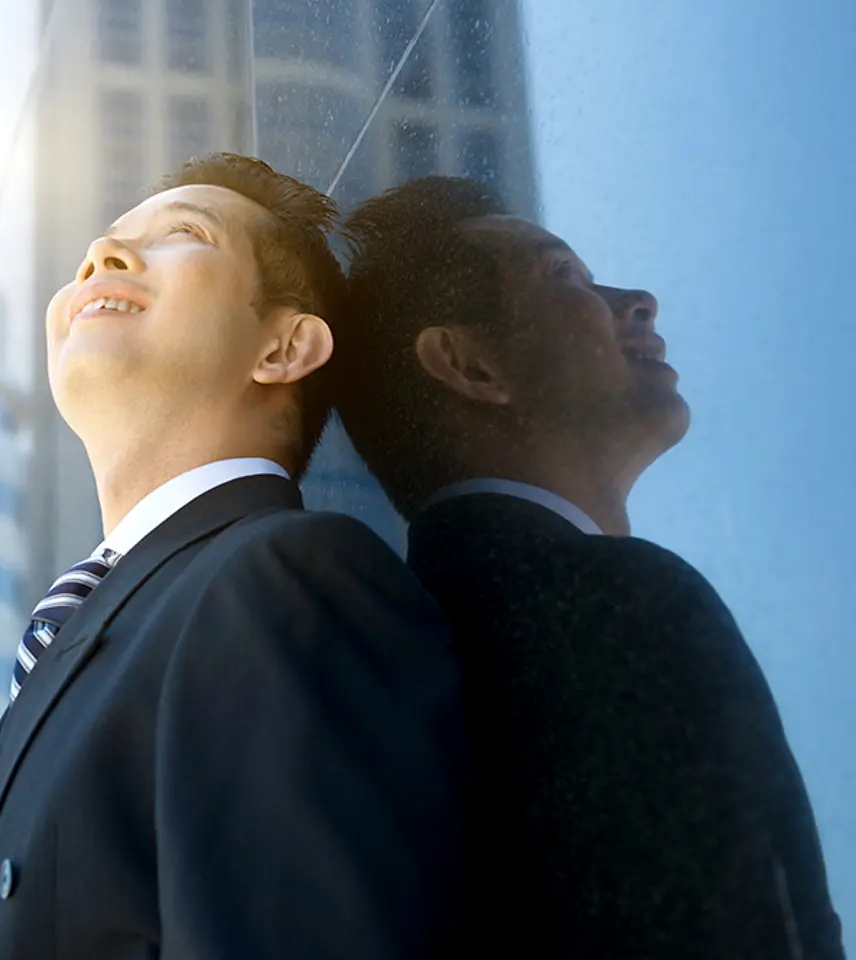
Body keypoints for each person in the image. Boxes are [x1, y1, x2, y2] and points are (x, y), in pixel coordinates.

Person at [0, 154, 466, 959]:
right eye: (100, 247)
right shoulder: (88, 635)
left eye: (183, 233)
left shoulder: (288, 576)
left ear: (283, 348)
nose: (101, 258)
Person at [334, 175, 845, 959]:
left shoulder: (382, 650)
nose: (637, 299)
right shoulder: (611, 602)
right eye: (564, 276)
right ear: (470, 366)